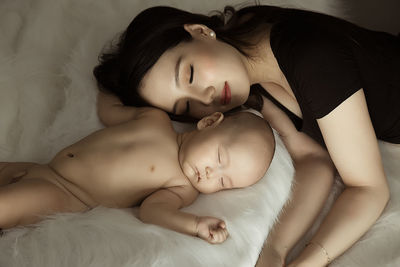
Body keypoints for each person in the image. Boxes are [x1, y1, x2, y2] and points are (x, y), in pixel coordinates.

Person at [93, 4, 399, 267]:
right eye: (186, 105)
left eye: (189, 74)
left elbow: (369, 189)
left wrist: (308, 261)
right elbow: (313, 160)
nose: (207, 96)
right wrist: (274, 250)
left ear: (201, 31)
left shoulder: (311, 59)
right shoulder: (245, 58)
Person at [0, 108, 275, 244]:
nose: (210, 174)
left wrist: (195, 225)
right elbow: (111, 110)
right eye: (219, 159)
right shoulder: (155, 118)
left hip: (64, 194)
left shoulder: (181, 186)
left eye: (223, 182)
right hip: (41, 167)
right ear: (209, 122)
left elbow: (153, 212)